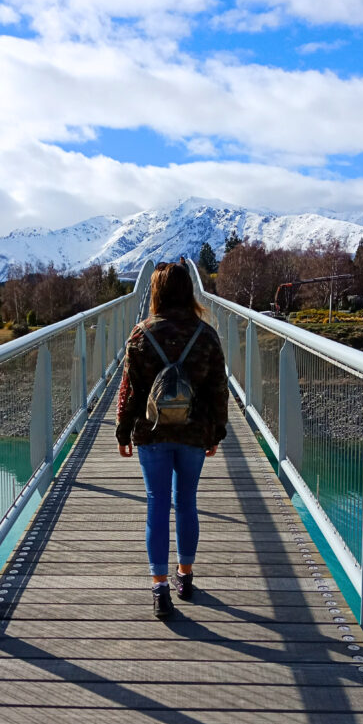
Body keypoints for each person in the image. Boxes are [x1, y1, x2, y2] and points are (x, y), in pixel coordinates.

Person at [116, 261, 228, 618]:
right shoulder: (206, 334)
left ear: (156, 293)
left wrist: (123, 431)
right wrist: (216, 431)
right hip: (194, 431)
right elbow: (218, 390)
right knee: (187, 502)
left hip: (153, 432)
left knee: (156, 504)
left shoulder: (140, 334)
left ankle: (160, 589)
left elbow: (130, 391)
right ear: (189, 290)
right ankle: (186, 576)